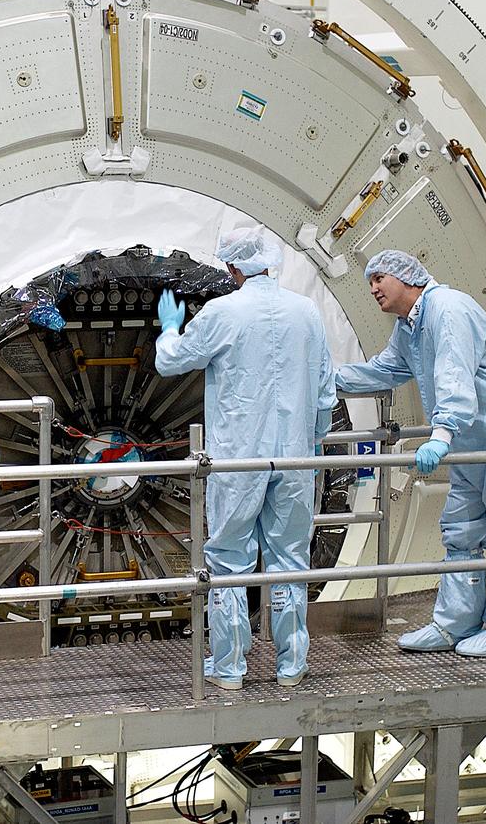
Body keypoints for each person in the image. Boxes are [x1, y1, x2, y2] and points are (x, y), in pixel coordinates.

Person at [335, 250, 486, 657]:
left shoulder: (448, 309)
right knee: (461, 530)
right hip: (473, 439)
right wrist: (327, 379)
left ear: (407, 277)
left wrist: (441, 434)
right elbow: (385, 370)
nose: (373, 289)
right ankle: (454, 624)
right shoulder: (409, 327)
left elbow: (454, 374)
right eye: (370, 283)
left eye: (379, 279)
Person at [155, 225, 337, 690]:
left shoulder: (224, 312)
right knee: (290, 559)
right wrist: (314, 446)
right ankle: (292, 665)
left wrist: (171, 328)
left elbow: (171, 362)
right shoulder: (307, 312)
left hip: (239, 459)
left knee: (229, 559)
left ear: (233, 267)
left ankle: (230, 667)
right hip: (296, 458)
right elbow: (324, 391)